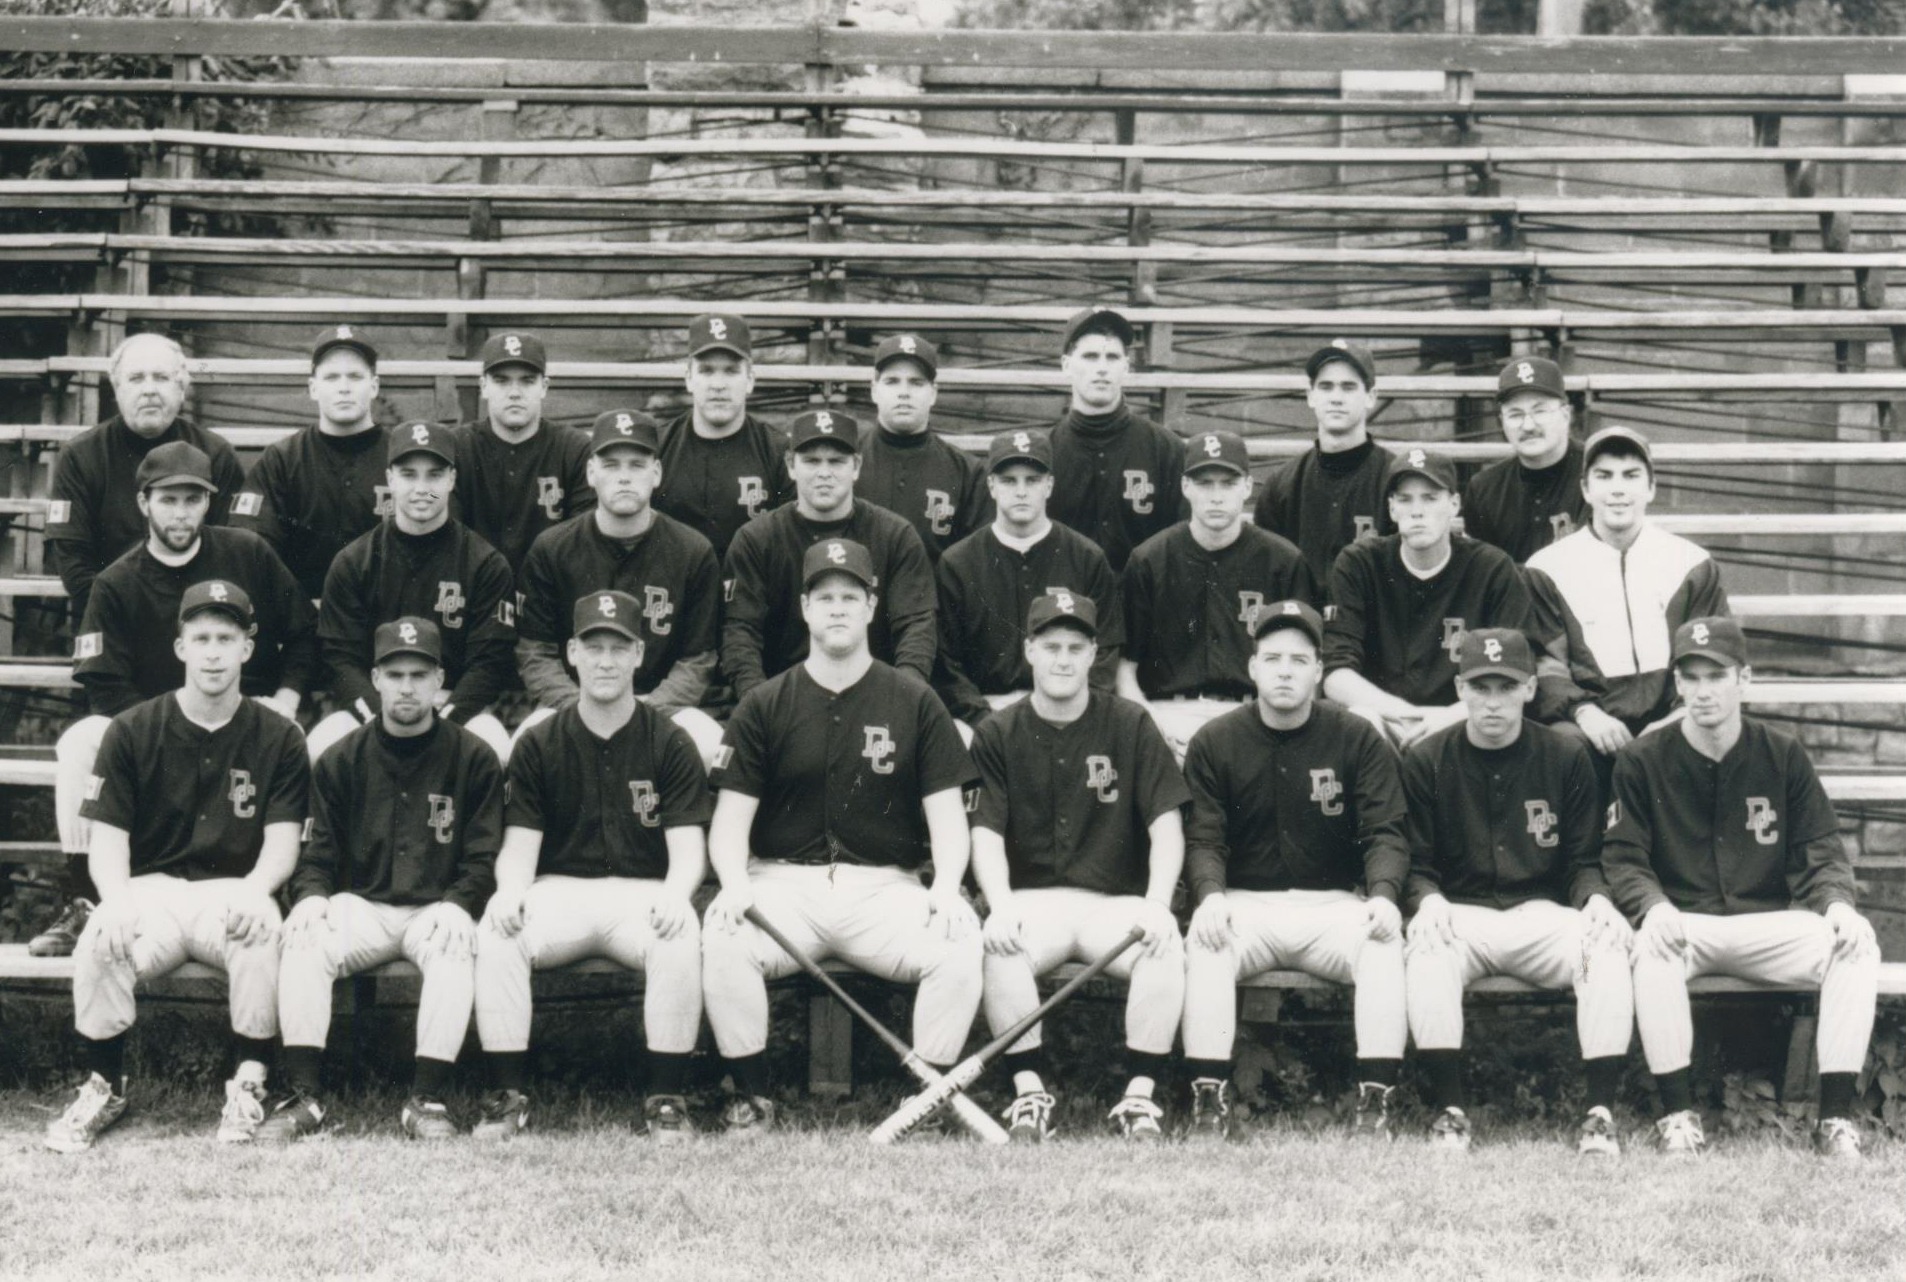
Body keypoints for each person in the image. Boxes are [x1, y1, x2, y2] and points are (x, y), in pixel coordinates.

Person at [701, 539, 981, 1134]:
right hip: (783, 885)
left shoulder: (914, 700)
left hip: (884, 889)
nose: (836, 609)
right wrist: (731, 884)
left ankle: (926, 1104)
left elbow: (949, 823)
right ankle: (749, 1098)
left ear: (872, 607)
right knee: (723, 932)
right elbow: (729, 826)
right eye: (823, 597)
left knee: (958, 938)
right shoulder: (764, 703)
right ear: (803, 608)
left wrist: (949, 887)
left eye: (849, 597)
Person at [44, 581, 308, 1153]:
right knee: (99, 938)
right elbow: (107, 840)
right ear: (181, 647)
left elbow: (282, 843)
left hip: (231, 889)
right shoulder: (133, 728)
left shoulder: (280, 735)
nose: (213, 651)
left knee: (262, 929)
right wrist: (113, 900)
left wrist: (260, 890)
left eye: (227, 638)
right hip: (153, 892)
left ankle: (249, 1081)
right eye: (201, 638)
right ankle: (104, 1085)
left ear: (248, 648)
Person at [1605, 617, 1880, 1159]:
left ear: (1745, 679)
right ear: (1677, 685)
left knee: (1857, 943)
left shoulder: (1781, 753)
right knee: (1649, 948)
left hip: (1765, 922)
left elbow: (1820, 852)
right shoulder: (1643, 759)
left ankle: (1835, 1121)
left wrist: (1840, 906)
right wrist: (1653, 907)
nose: (1704, 690)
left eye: (1718, 675)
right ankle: (1678, 1116)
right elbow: (1623, 856)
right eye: (1692, 677)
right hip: (1686, 922)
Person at [40, 443, 317, 959]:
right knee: (81, 739)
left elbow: (303, 632)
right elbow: (104, 684)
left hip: (245, 724)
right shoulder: (116, 581)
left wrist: (285, 696)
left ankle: (289, 887)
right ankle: (85, 897)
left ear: (208, 503)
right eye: (168, 499)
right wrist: (162, 733)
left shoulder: (247, 552)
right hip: (148, 730)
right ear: (143, 503)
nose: (181, 512)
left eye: (193, 499)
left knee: (297, 735)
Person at [474, 591, 712, 1142]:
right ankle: (507, 1096)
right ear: (571, 655)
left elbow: (688, 852)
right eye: (593, 647)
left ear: (638, 656)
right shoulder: (538, 742)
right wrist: (509, 890)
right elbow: (518, 847)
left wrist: (678, 893)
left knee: (679, 930)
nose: (605, 660)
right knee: (498, 927)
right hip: (561, 892)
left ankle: (666, 1097)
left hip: (642, 892)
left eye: (618, 648)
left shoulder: (670, 741)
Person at [1179, 600, 1408, 1140]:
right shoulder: (1215, 741)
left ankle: (1375, 1099)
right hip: (1245, 902)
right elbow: (1203, 837)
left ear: (1319, 672)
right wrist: (1210, 895)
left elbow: (1385, 832)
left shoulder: (1356, 737)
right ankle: (1208, 1098)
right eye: (1273, 658)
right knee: (1207, 939)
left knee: (1382, 942)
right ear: (1252, 666)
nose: (1285, 670)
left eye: (1299, 660)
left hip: (1331, 904)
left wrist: (1383, 894)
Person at [265, 617, 501, 1143]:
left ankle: (426, 1097)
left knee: (456, 945)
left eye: (421, 674)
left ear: (441, 681)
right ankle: (304, 1096)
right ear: (375, 678)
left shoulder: (474, 758)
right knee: (305, 936)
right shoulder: (339, 759)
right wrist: (309, 898)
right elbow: (316, 853)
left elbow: (484, 856)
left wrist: (462, 903)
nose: (408, 687)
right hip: (363, 908)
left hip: (435, 906)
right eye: (396, 674)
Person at [1400, 628, 1634, 1156]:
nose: (1492, 702)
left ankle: (1599, 1113)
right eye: (1480, 687)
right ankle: (1449, 1109)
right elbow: (1413, 863)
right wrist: (1428, 900)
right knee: (1427, 945)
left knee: (1604, 942)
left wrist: (1596, 898)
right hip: (1461, 913)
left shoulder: (1566, 755)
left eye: (1506, 687)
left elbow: (1583, 861)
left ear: (1530, 689)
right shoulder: (1427, 759)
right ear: (1459, 689)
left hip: (1541, 914)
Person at [969, 593, 1189, 1142]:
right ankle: (1029, 1094)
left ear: (1094, 654)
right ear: (1029, 652)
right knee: (1000, 946)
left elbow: (1166, 825)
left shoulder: (1131, 724)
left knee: (1164, 945)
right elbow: (985, 833)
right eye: (1050, 647)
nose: (1062, 659)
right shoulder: (998, 732)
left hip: (1113, 903)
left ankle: (1139, 1098)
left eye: (1074, 647)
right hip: (1033, 902)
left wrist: (1160, 905)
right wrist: (998, 907)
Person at [514, 410, 724, 765]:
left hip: (663, 707)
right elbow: (535, 652)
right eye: (611, 465)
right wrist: (579, 706)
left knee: (713, 749)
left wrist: (645, 710)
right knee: (521, 748)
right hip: (571, 704)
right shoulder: (552, 548)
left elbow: (698, 658)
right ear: (591, 472)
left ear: (656, 473)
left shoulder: (693, 550)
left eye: (637, 465)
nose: (624, 477)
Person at [1525, 425, 1729, 783]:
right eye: (1604, 476)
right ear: (1586, 489)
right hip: (1590, 726)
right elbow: (1544, 662)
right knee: (1561, 747)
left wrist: (1677, 719)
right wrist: (1585, 713)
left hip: (1674, 717)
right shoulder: (1547, 567)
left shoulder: (1691, 562)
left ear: (1651, 487)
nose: (1617, 489)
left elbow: (1713, 653)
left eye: (1631, 475)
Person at [310, 420, 515, 763]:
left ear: (451, 479)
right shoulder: (353, 561)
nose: (422, 488)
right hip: (378, 702)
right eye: (409, 475)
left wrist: (445, 718)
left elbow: (489, 664)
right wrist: (381, 716)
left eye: (434, 475)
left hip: (452, 704)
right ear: (389, 478)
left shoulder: (485, 563)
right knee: (320, 745)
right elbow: (339, 658)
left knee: (496, 746)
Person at [1120, 429, 1317, 760]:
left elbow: (1305, 667)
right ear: (1185, 487)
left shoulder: (1283, 561)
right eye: (1204, 483)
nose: (1216, 495)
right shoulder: (1149, 560)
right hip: (1168, 715)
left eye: (1227, 483)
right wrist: (1152, 728)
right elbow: (1124, 671)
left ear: (1247, 488)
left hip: (1256, 716)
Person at [1321, 448, 1535, 750]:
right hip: (1384, 721)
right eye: (1405, 499)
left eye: (1430, 498)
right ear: (1392, 509)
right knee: (1359, 718)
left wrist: (1452, 716)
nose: (1417, 511)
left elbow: (1519, 668)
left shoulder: (1492, 568)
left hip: (1463, 722)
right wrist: (1408, 714)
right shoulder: (1360, 562)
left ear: (1454, 504)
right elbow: (1335, 673)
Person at [720, 408, 936, 701]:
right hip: (782, 699)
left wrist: (901, 700)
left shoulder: (895, 535)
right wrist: (759, 706)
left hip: (875, 696)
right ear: (790, 465)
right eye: (811, 461)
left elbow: (916, 629)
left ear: (857, 465)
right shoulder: (756, 539)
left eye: (836, 461)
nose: (824, 473)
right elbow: (740, 634)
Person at [44, 332, 245, 622]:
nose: (149, 390)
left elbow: (231, 552)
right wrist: (120, 615)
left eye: (161, 378)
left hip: (199, 624)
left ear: (182, 388)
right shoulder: (80, 456)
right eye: (136, 378)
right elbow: (72, 560)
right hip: (109, 618)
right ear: (116, 388)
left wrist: (190, 618)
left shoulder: (216, 454)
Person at [935, 430, 1122, 737]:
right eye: (1009, 480)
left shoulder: (1086, 557)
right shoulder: (958, 562)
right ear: (991, 486)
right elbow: (945, 664)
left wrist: (1074, 708)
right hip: (985, 711)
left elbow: (1104, 653)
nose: (1021, 491)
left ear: (1049, 485)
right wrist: (984, 719)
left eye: (1032, 480)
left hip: (1069, 708)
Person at [232, 325, 392, 601]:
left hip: (386, 618)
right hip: (303, 619)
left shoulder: (402, 455)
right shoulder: (281, 459)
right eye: (331, 377)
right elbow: (250, 547)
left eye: (355, 376)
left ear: (374, 386)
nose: (344, 387)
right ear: (313, 388)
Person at [1045, 307, 1182, 573]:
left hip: (1143, 604)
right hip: (1065, 604)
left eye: (1112, 357)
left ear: (1126, 367)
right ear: (1066, 365)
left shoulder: (1165, 449)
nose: (1102, 368)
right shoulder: (1045, 452)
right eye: (1090, 356)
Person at [450, 330, 594, 575]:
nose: (514, 392)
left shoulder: (575, 449)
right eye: (501, 380)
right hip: (472, 590)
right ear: (483, 386)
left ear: (544, 387)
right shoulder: (456, 446)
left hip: (551, 593)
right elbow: (442, 529)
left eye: (527, 380)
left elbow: (584, 543)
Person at [653, 312, 794, 560]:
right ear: (688, 378)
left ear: (750, 379)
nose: (718, 384)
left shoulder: (779, 453)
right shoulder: (657, 448)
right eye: (706, 370)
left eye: (730, 371)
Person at [1252, 339, 1394, 585]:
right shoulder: (1281, 485)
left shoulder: (1396, 478)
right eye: (1326, 387)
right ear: (1311, 396)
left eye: (1348, 387)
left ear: (1370, 397)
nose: (1336, 398)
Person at [855, 333, 987, 562]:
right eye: (892, 381)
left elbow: (974, 564)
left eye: (916, 382)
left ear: (933, 392)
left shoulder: (967, 472)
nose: (904, 392)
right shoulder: (847, 459)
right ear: (874, 390)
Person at [1459, 356, 1587, 563]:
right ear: (1502, 422)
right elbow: (1480, 577)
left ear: (1566, 415)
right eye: (1515, 414)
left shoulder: (1596, 473)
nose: (1528, 425)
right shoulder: (1484, 488)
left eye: (1540, 411)